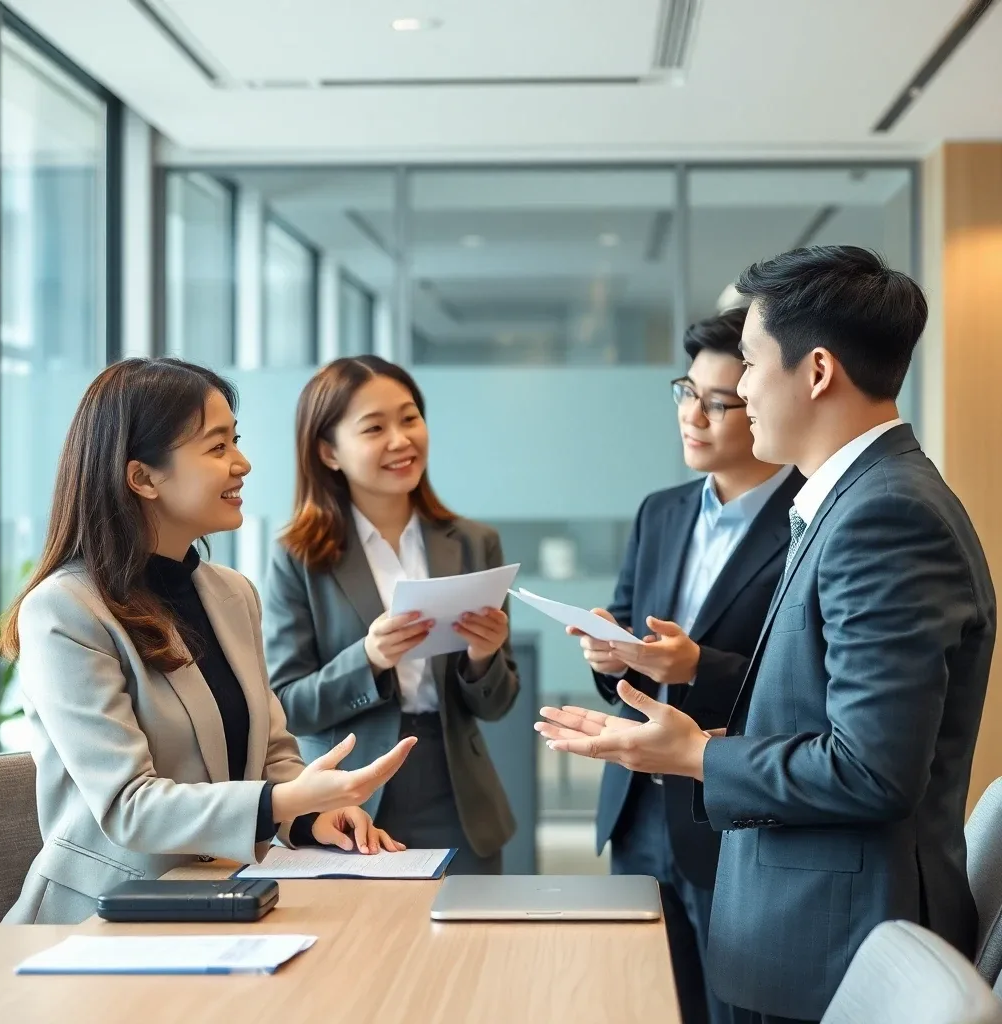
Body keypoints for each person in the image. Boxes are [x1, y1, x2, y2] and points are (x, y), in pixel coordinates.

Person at [536, 245, 996, 1024]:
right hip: (814, 922)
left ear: (815, 372)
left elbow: (872, 768)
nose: (741, 389)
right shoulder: (856, 498)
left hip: (835, 940)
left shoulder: (886, 515)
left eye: (748, 365)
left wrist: (695, 753)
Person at [0, 358, 415, 925]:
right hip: (101, 920)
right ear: (142, 477)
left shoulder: (231, 594)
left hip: (223, 896)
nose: (241, 463)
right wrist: (289, 802)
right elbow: (130, 807)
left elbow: (272, 756)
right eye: (217, 448)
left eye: (234, 441)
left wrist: (310, 815)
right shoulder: (64, 611)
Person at [571, 308, 801, 1024]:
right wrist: (609, 657)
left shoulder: (808, 519)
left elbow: (797, 680)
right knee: (642, 998)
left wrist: (698, 663)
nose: (692, 416)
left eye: (718, 402)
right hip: (637, 803)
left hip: (729, 810)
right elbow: (625, 659)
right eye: (684, 391)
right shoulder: (661, 511)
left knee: (726, 1005)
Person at [264, 356, 518, 875]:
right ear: (329, 452)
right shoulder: (298, 556)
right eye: (375, 428)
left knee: (464, 949)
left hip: (455, 789)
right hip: (347, 797)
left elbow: (498, 705)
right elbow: (287, 705)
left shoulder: (473, 543)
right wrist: (369, 658)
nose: (401, 440)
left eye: (409, 418)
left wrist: (483, 657)